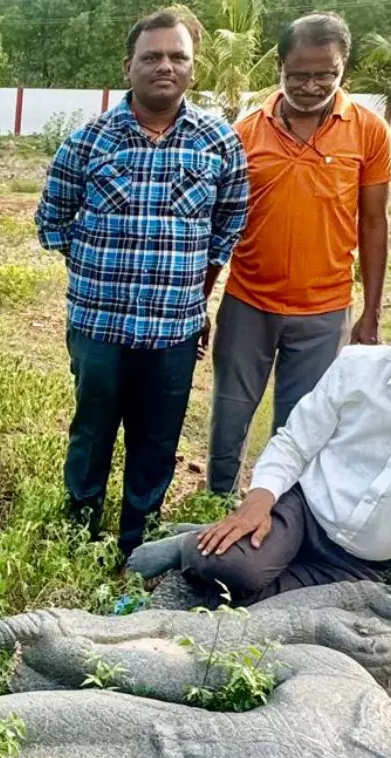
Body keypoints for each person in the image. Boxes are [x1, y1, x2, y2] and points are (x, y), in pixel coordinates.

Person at [130, 269, 391, 626]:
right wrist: (258, 502)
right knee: (228, 569)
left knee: (278, 619)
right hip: (302, 512)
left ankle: (214, 550)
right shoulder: (357, 367)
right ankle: (199, 548)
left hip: (362, 562)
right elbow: (295, 441)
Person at [35, 8, 250, 558]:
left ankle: (138, 543)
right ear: (128, 65)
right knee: (91, 433)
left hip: (174, 328)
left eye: (178, 57)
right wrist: (100, 267)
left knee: (156, 442)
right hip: (98, 324)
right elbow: (52, 221)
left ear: (192, 69)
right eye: (152, 56)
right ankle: (77, 536)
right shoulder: (88, 142)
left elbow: (228, 223)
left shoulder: (218, 143)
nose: (165, 66)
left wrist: (190, 284)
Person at [206, 12, 391, 496]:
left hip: (324, 309)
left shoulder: (369, 132)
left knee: (301, 421)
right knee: (230, 412)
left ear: (343, 68)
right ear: (280, 69)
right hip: (248, 301)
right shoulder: (245, 131)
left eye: (324, 74)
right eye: (298, 75)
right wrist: (200, 301)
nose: (310, 86)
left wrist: (370, 312)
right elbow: (219, 225)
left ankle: (279, 507)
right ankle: (218, 499)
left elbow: (373, 222)